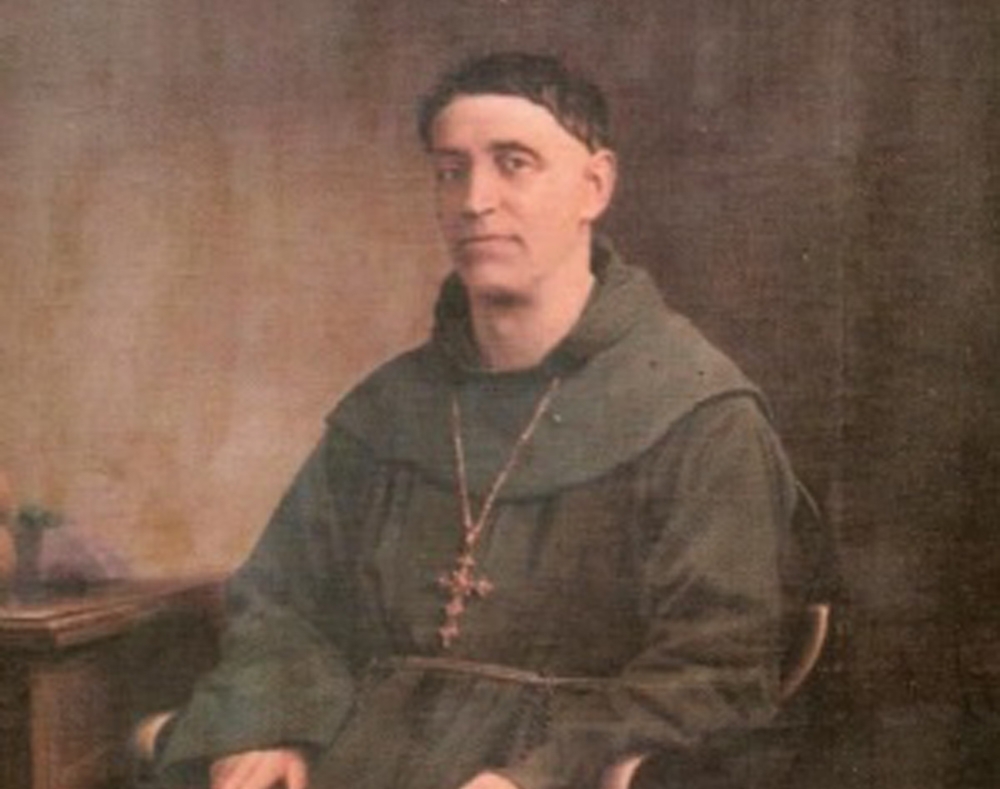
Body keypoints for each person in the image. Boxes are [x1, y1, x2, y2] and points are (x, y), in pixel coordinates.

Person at [153, 52, 818, 789]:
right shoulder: (387, 409)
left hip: (565, 769)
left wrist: (540, 775)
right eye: (451, 171)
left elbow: (716, 671)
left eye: (514, 164)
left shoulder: (698, 413)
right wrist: (275, 723)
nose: (475, 200)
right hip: (363, 753)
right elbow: (284, 599)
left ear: (595, 185)